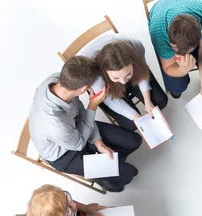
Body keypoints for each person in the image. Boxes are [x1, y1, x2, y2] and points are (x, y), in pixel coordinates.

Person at [29, 56, 142, 192]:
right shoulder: (56, 125)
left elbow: (82, 113)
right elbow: (79, 143)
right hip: (65, 155)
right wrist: (93, 105)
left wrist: (99, 143)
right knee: (128, 174)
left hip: (77, 127)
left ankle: (109, 163)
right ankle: (106, 180)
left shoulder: (57, 79)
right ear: (83, 89)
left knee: (134, 141)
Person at [148, 0, 202, 109]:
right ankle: (177, 87)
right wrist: (182, 69)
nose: (183, 54)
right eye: (175, 48)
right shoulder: (158, 33)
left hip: (196, 7)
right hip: (161, 13)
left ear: (200, 35)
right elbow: (168, 66)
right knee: (176, 86)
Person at [79, 33, 168, 130]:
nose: (123, 82)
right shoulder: (92, 74)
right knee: (132, 124)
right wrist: (138, 118)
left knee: (160, 101)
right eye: (116, 78)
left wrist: (147, 101)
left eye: (128, 74)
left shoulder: (136, 46)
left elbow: (142, 72)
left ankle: (122, 75)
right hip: (103, 84)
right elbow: (110, 100)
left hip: (125, 71)